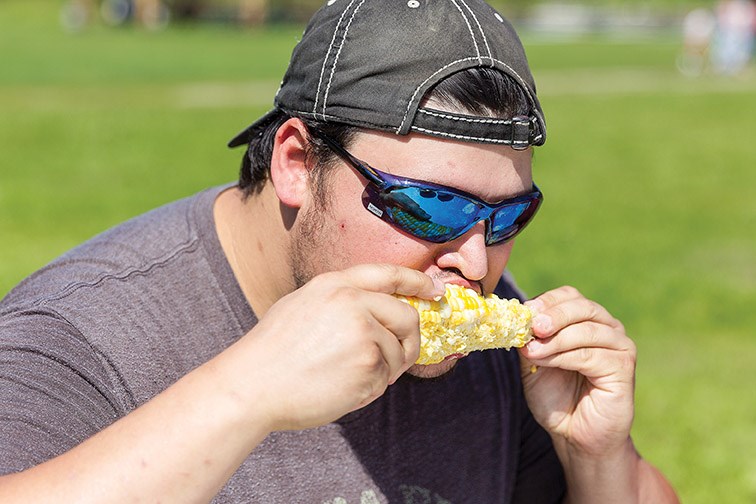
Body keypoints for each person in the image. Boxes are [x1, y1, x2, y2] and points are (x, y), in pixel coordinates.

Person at [0, 1, 680, 502]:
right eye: (431, 206)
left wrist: (599, 458)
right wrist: (247, 392)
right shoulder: (80, 335)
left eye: (506, 216)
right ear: (297, 163)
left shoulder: (492, 346)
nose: (476, 264)